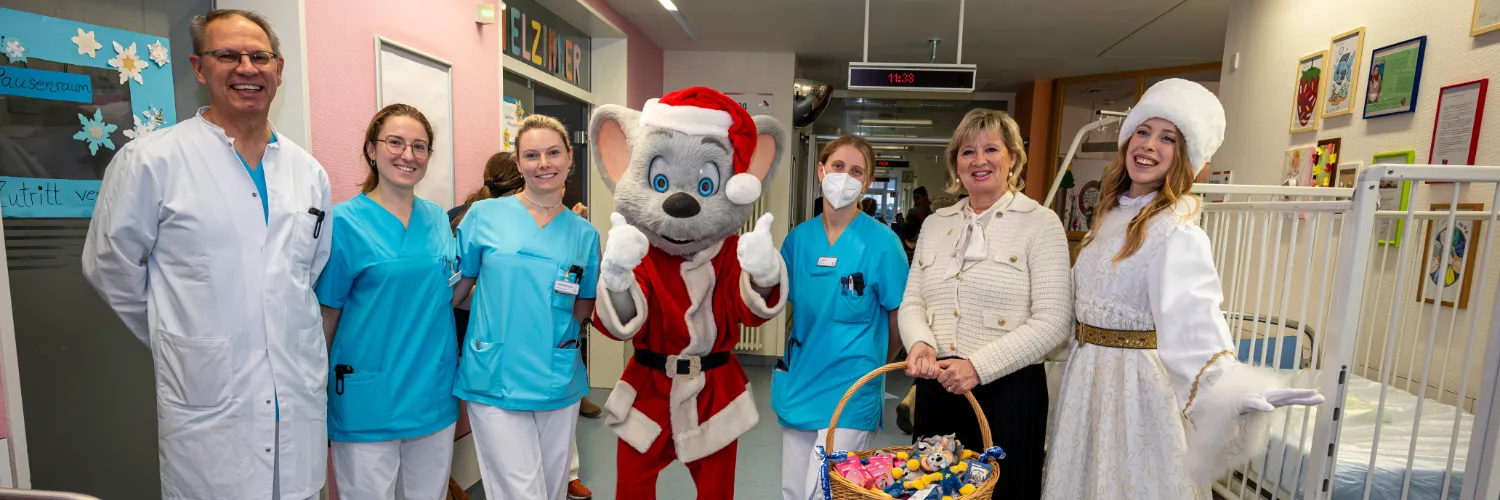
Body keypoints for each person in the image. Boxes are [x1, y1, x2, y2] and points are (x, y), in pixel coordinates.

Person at [81, 9, 331, 500]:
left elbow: (307, 271)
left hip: (294, 398)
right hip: (209, 405)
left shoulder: (309, 172)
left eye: (259, 57)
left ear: (279, 69)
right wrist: (185, 340)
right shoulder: (152, 160)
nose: (246, 68)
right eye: (227, 56)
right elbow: (109, 267)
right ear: (199, 68)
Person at [1042, 79, 1324, 500]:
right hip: (1086, 382)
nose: (1149, 145)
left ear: (1184, 155)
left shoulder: (1177, 232)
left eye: (1168, 138)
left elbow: (1195, 319)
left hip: (1135, 392)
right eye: (1143, 131)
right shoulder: (1107, 219)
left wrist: (1235, 390)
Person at [898, 108, 1073, 499]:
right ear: (955, 164)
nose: (979, 160)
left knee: (1005, 491)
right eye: (967, 151)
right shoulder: (935, 223)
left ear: (1012, 157)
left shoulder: (1041, 223)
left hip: (1008, 393)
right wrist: (921, 343)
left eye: (991, 149)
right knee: (931, 487)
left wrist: (978, 367)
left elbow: (1054, 321)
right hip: (937, 386)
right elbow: (912, 301)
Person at [311, 104, 458, 499]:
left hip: (432, 393)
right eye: (395, 142)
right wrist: (313, 390)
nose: (407, 155)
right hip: (366, 397)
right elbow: (327, 315)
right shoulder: (344, 222)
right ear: (371, 150)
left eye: (419, 146)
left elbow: (449, 292)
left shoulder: (438, 219)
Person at [452, 114, 599, 500]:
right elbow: (456, 292)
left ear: (569, 157)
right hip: (494, 375)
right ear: (517, 163)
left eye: (553, 153)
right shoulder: (484, 217)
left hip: (557, 376)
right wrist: (496, 314)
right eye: (531, 155)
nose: (543, 163)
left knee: (551, 490)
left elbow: (584, 305)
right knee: (522, 493)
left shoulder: (585, 234)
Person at [773, 135, 908, 500]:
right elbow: (771, 299)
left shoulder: (883, 244)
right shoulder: (798, 240)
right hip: (802, 380)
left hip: (852, 389)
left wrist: (876, 364)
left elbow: (899, 316)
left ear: (866, 182)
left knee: (827, 492)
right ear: (821, 170)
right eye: (837, 166)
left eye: (856, 171)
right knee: (793, 491)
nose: (845, 176)